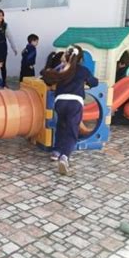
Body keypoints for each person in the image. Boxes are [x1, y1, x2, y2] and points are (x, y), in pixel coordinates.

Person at [42, 45, 99, 175]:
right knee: (72, 130)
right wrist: (87, 82)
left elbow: (47, 78)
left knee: (61, 125)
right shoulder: (82, 70)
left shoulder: (61, 69)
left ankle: (56, 152)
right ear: (80, 59)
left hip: (60, 102)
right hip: (74, 103)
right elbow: (94, 82)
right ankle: (65, 156)